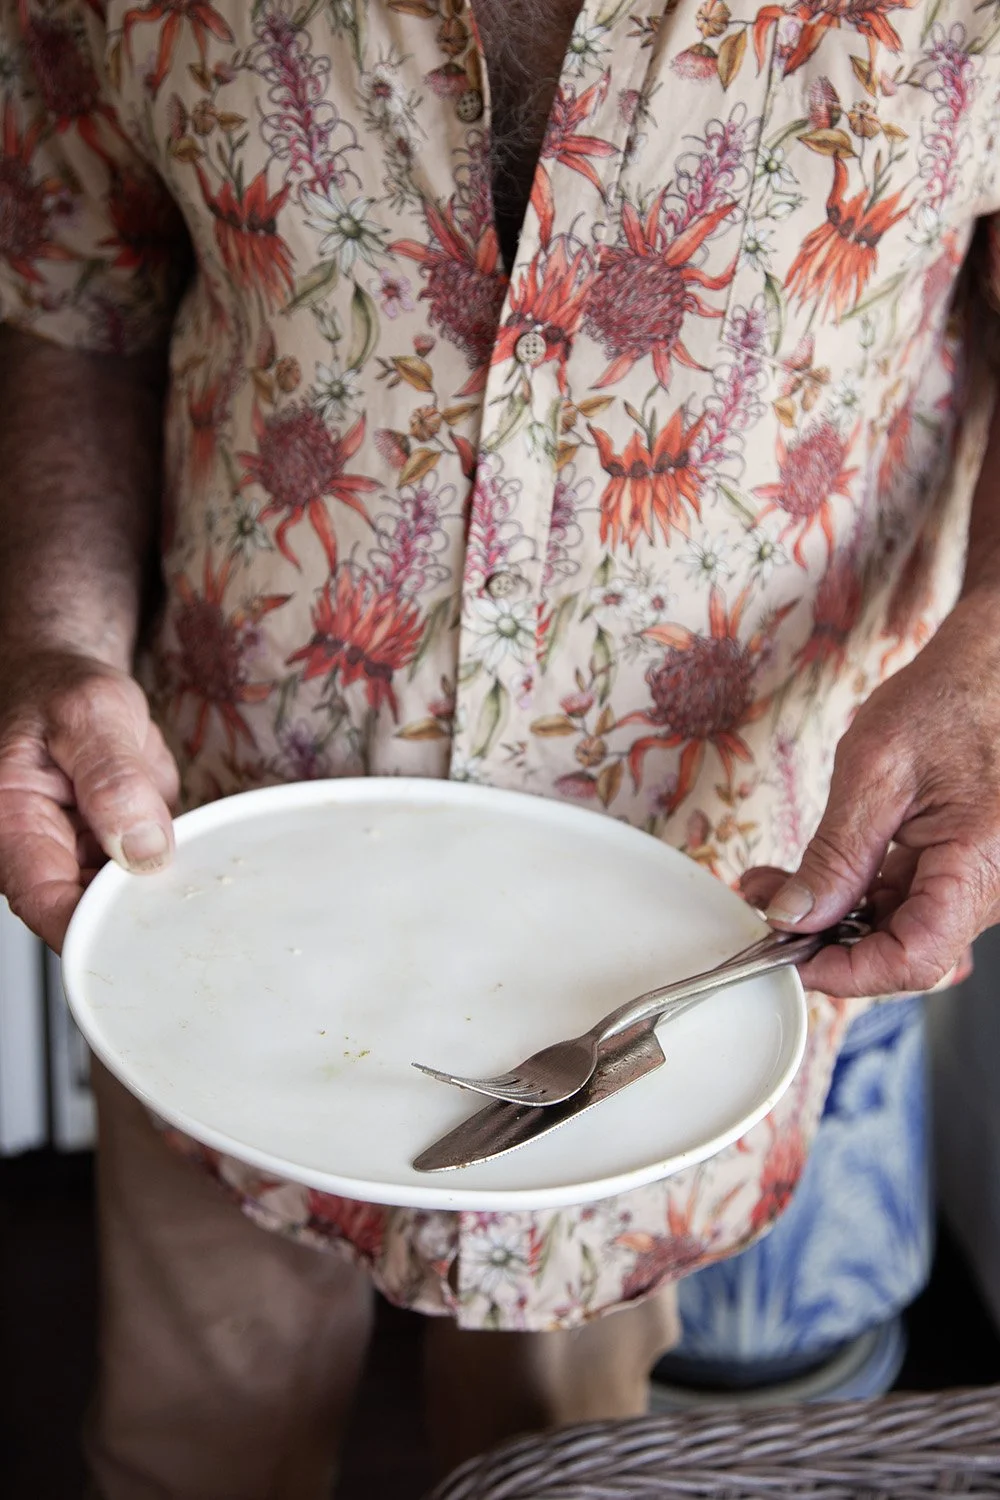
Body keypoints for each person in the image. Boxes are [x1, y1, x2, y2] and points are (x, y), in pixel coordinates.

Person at [2, 0, 1000, 1492]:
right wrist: (55, 641)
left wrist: (991, 657)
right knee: (187, 1444)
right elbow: (82, 303)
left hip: (689, 912)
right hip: (212, 858)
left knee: (554, 1457)